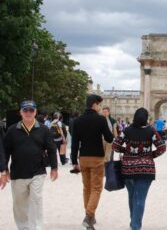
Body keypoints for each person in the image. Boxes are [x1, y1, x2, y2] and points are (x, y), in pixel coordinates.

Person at [3, 100, 58, 229]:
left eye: (31, 110)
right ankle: (23, 227)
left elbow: (51, 149)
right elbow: (5, 152)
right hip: (18, 172)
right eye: (25, 110)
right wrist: (4, 170)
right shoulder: (11, 130)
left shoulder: (44, 130)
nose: (28, 113)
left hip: (38, 171)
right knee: (19, 203)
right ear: (20, 112)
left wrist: (54, 168)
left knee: (36, 200)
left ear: (35, 112)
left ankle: (37, 227)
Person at [112, 108, 166, 230]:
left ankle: (133, 223)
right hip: (145, 169)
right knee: (140, 198)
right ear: (146, 118)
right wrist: (150, 155)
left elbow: (115, 145)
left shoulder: (126, 130)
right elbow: (162, 147)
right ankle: (135, 227)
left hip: (128, 168)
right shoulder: (151, 131)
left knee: (132, 197)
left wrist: (125, 151)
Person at [71, 94, 114, 230]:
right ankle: (89, 216)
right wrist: (106, 121)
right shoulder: (100, 120)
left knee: (87, 188)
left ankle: (90, 215)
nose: (100, 107)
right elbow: (110, 138)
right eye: (99, 105)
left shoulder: (77, 121)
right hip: (97, 157)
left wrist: (74, 161)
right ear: (94, 104)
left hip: (83, 157)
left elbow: (74, 144)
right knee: (96, 188)